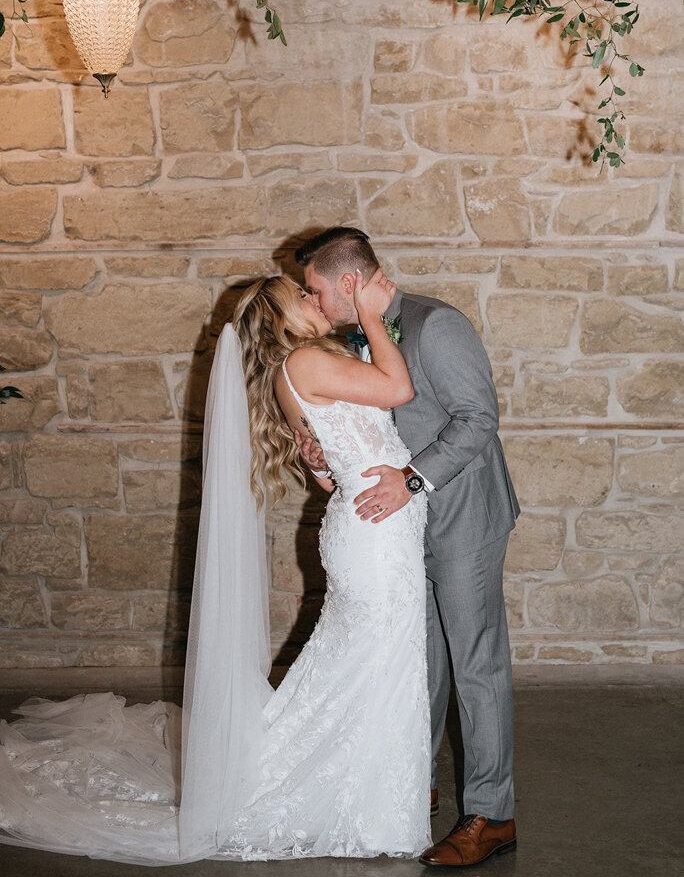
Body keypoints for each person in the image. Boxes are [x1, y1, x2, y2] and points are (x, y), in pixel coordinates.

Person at [0, 270, 432, 864]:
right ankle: (364, 811)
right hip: (375, 537)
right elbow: (397, 390)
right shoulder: (305, 361)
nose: (314, 300)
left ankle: (359, 800)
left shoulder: (293, 372)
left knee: (364, 669)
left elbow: (328, 473)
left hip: (365, 524)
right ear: (285, 317)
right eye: (303, 296)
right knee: (379, 667)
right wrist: (373, 314)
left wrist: (323, 455)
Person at [295, 227, 520, 869]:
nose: (311, 303)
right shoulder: (351, 340)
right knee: (418, 661)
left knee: (475, 664)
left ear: (347, 282)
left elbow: (478, 418)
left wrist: (413, 480)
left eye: (315, 289)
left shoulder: (436, 324)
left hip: (462, 515)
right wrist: (326, 452)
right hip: (399, 530)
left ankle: (491, 814)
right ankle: (409, 785)